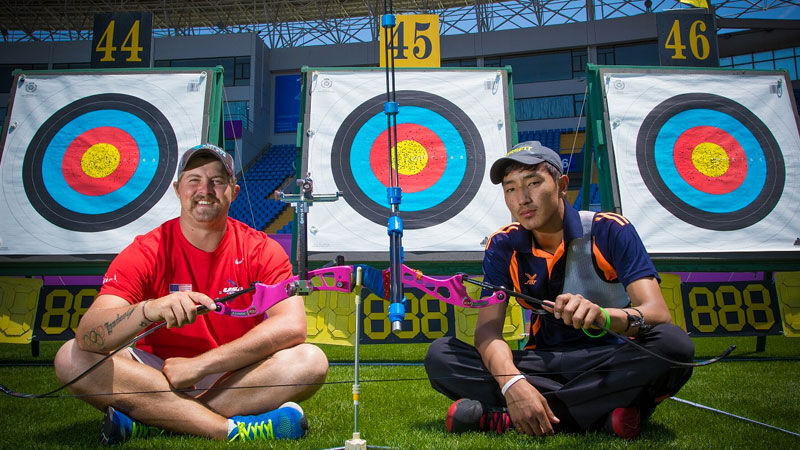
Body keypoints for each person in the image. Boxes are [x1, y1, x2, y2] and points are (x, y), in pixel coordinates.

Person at [53, 143, 328, 444]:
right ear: (177, 189)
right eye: (193, 180)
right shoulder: (147, 249)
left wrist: (201, 365)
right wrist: (149, 309)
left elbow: (291, 325)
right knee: (71, 358)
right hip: (154, 375)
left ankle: (154, 419)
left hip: (230, 373)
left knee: (310, 361)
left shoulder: (261, 249)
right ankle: (227, 429)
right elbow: (89, 335)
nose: (204, 190)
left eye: (217, 181)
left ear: (234, 191)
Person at [424, 141, 694, 439]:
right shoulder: (502, 244)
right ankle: (600, 413)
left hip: (608, 360)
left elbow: (657, 313)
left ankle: (511, 417)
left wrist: (603, 316)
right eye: (510, 189)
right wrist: (513, 384)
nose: (522, 199)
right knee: (441, 356)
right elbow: (488, 333)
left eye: (533, 183)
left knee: (674, 345)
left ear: (562, 185)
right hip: (542, 362)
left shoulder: (610, 229)